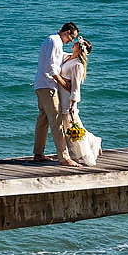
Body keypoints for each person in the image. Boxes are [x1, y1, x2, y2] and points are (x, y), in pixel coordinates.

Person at [33, 21, 85, 168]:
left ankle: (38, 153)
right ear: (67, 32)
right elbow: (51, 68)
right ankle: (64, 157)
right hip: (48, 86)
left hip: (41, 85)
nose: (72, 41)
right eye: (72, 37)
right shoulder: (55, 41)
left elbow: (58, 59)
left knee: (43, 119)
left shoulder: (53, 41)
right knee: (56, 121)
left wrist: (76, 55)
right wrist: (64, 84)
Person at [57, 38, 102, 166]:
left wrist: (72, 104)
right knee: (71, 126)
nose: (74, 43)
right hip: (61, 96)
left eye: (76, 43)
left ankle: (75, 155)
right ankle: (93, 141)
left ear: (80, 48)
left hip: (68, 99)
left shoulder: (77, 65)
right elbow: (58, 54)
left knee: (70, 127)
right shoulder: (69, 58)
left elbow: (76, 86)